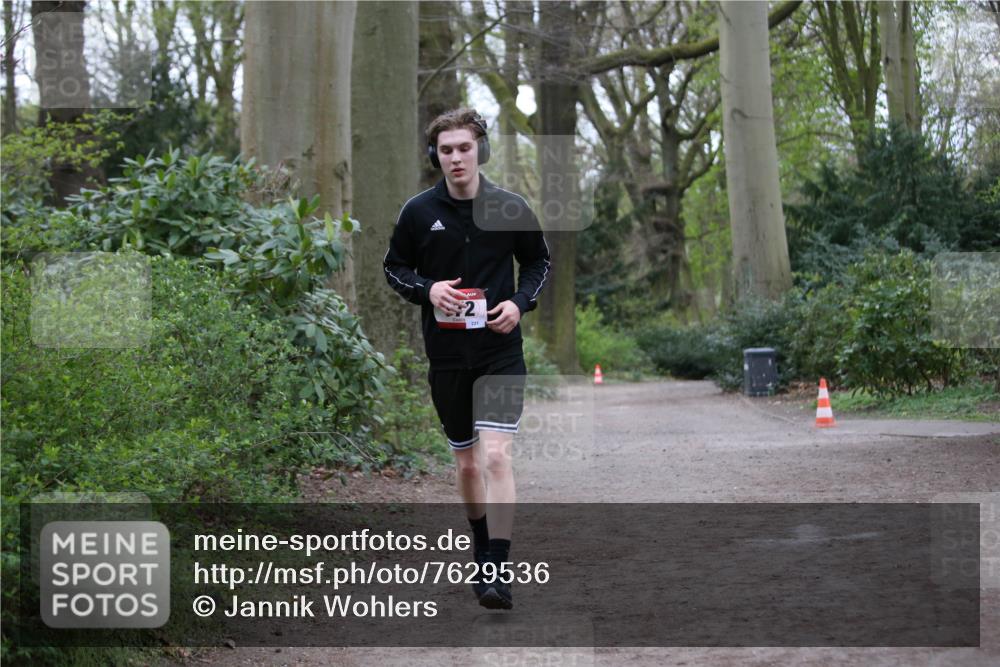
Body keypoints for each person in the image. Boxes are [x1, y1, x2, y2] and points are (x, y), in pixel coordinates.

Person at [383, 107, 551, 610]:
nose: (456, 158)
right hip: (448, 356)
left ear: (481, 149)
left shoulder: (510, 206)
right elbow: (394, 269)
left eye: (465, 147)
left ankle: (498, 564)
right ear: (435, 155)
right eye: (447, 150)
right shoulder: (417, 212)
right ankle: (480, 544)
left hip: (501, 352)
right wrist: (429, 289)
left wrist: (518, 306)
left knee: (496, 455)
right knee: (467, 465)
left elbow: (539, 261)